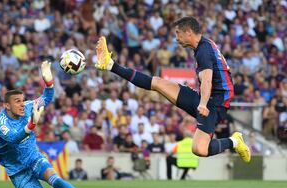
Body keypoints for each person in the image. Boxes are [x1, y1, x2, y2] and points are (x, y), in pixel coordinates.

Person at [95, 16, 251, 163]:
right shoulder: (203, 45)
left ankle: (234, 141)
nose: (176, 37)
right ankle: (110, 64)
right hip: (205, 98)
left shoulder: (203, 50)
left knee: (199, 149)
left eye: (178, 33)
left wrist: (203, 104)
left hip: (214, 104)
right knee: (156, 83)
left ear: (189, 32)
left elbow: (207, 79)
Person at [0, 61, 103, 188]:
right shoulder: (0, 123)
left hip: (33, 158)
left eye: (22, 100)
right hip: (17, 171)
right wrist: (31, 125)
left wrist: (48, 81)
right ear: (6, 105)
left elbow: (47, 97)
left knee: (56, 179)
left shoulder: (29, 107)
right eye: (17, 101)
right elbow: (14, 138)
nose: (22, 104)